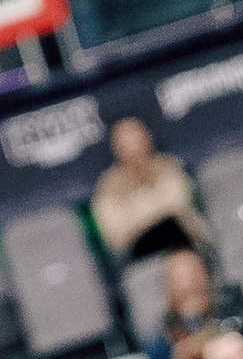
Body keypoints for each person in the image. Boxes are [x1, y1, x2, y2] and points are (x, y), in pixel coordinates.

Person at [90, 113, 211, 269]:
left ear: (147, 139)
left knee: (171, 228)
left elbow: (179, 205)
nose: (134, 148)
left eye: (137, 140)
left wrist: (139, 211)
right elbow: (115, 236)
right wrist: (154, 210)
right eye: (126, 144)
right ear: (116, 148)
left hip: (187, 244)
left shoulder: (169, 166)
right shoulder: (108, 186)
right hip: (141, 258)